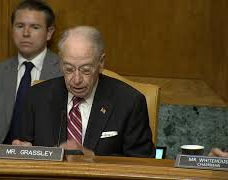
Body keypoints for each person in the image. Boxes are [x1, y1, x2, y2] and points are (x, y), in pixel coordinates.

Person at [16, 26, 155, 157]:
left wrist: (91, 158)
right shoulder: (36, 97)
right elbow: (23, 149)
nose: (76, 80)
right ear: (60, 62)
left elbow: (142, 164)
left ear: (101, 63)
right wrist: (22, 152)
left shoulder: (129, 102)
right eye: (69, 69)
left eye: (86, 70)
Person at [0, 0, 62, 152]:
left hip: (44, 156)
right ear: (12, 30)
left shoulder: (64, 71)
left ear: (49, 33)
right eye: (19, 26)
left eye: (35, 27)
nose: (25, 33)